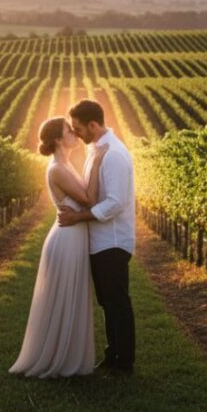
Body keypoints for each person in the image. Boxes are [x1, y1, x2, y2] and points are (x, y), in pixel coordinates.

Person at [9, 116, 108, 377]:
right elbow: (89, 198)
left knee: (70, 296)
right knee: (65, 296)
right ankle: (59, 358)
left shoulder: (64, 165)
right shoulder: (57, 169)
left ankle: (66, 355)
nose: (74, 133)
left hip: (72, 236)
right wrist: (97, 162)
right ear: (57, 139)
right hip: (67, 239)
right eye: (68, 131)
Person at [58, 99, 136, 374]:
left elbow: (115, 202)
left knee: (117, 302)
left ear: (93, 125)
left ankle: (124, 362)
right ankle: (113, 355)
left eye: (79, 129)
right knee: (108, 301)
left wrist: (78, 217)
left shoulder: (113, 154)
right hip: (101, 241)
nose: (77, 134)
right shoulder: (97, 149)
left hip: (112, 240)